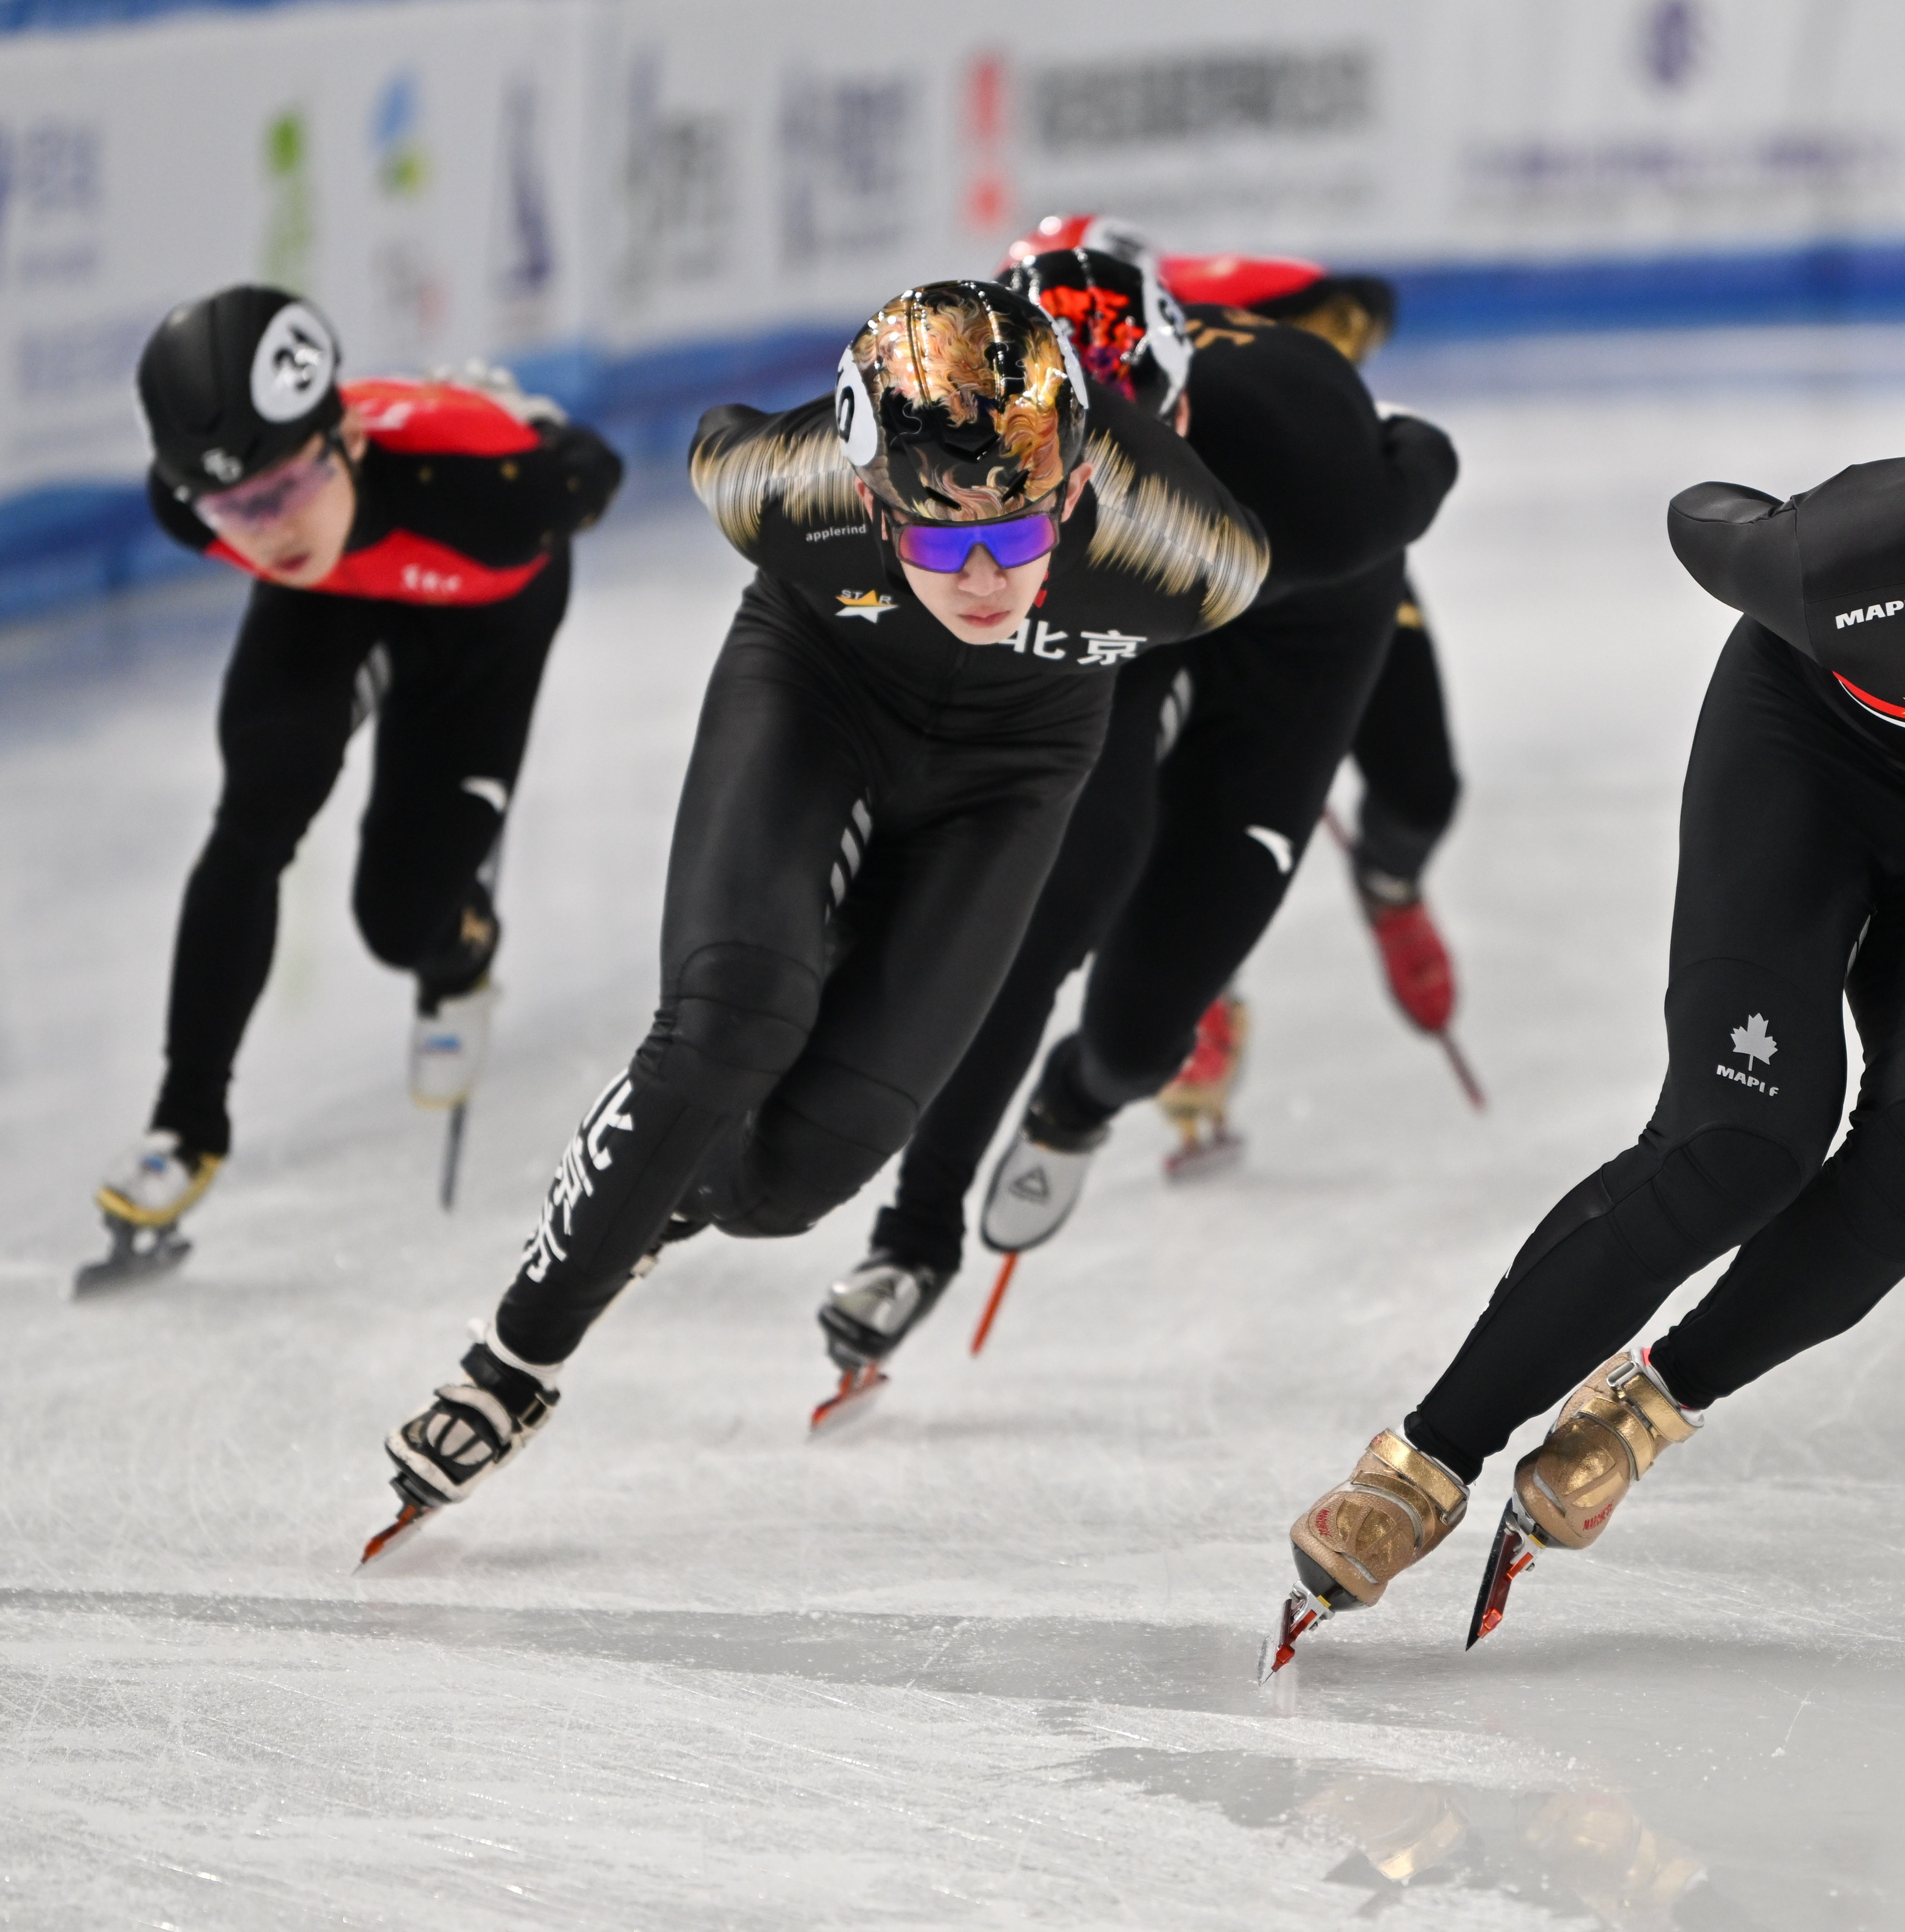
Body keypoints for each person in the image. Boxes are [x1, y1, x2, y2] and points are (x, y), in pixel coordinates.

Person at [1268, 307, 1905, 1672]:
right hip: (1809, 770)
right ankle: (1420, 1465)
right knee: (1744, 1139)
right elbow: (1702, 516)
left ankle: (1644, 1412)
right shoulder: (1846, 557)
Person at [369, 279, 1264, 1551]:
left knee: (785, 1186)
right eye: (944, 543)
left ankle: (662, 1188)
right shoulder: (773, 486)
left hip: (1011, 776)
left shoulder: (1187, 555)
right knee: (730, 1020)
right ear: (863, 496)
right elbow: (698, 442)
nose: (987, 577)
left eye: (1019, 538)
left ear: (1073, 494)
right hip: (817, 696)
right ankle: (513, 1358)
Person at [811, 226, 1458, 1405]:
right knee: (1044, 905)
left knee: (1143, 1028)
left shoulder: (1324, 481)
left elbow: (1424, 454)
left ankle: (1081, 1101)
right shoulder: (973, 465)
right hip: (1111, 599)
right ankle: (915, 1233)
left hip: (1298, 619)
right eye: (1050, 458)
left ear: (1185, 411)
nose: (1095, 477)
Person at [84, 285, 622, 1291]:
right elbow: (257, 512)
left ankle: (461, 952)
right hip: (329, 605)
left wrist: (536, 433)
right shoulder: (192, 509)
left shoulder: (502, 496)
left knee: (396, 919)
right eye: (235, 509)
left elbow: (599, 467)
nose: (267, 529)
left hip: (483, 623)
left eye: (284, 490)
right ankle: (185, 1122)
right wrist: (270, 510)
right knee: (253, 815)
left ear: (347, 443)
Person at [1160, 252, 1467, 1050]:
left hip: (1336, 557)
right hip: (1190, 570)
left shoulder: (1268, 326)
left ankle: (1389, 882)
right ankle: (1192, 979)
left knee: (1421, 789)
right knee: (1186, 800)